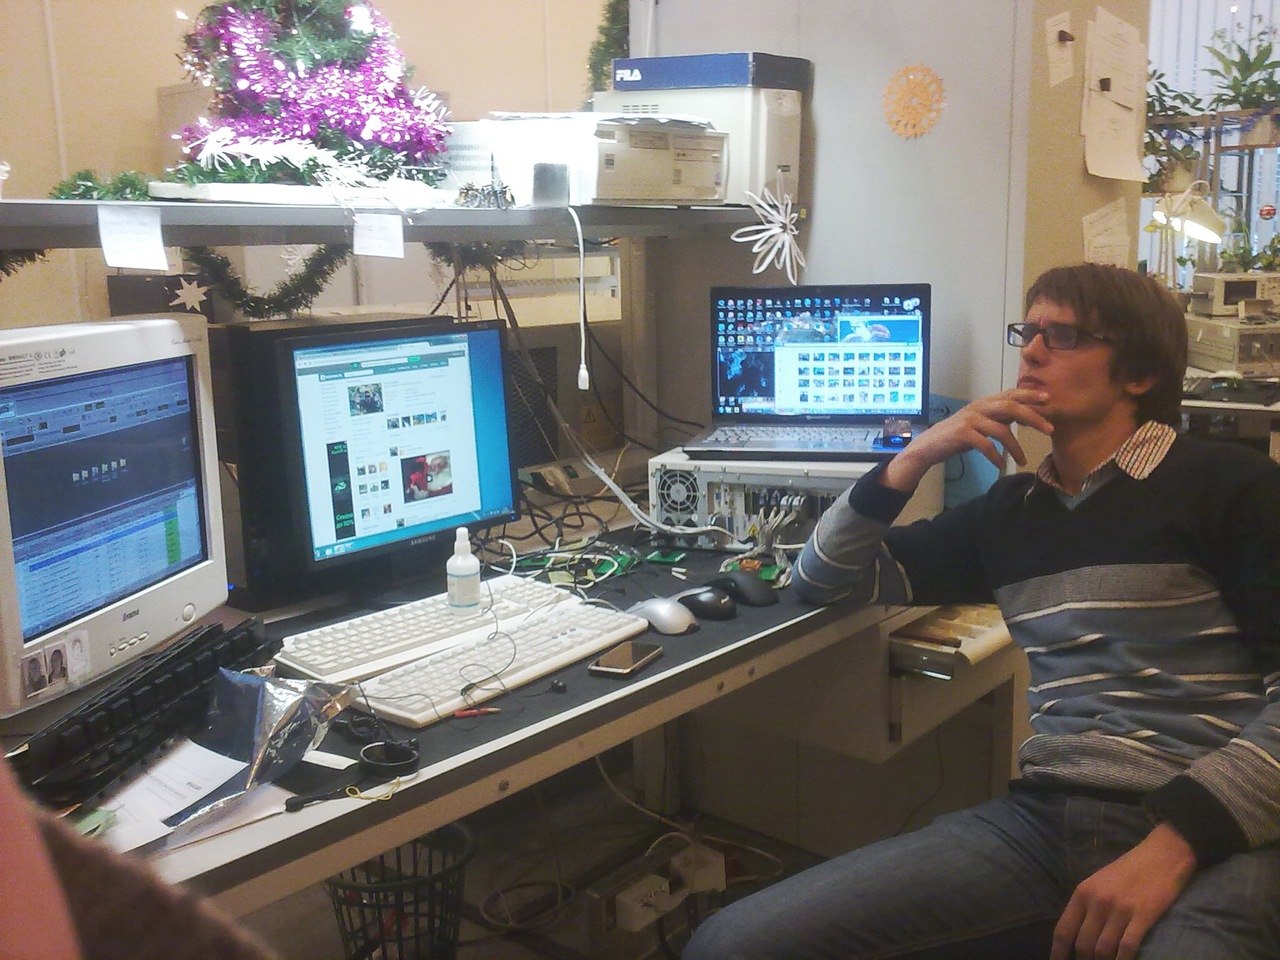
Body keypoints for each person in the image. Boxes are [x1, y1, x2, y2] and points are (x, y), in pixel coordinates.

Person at [683, 264, 1280, 960]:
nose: (1032, 351)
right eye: (1029, 332)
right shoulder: (1010, 514)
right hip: (1044, 824)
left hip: (1213, 832)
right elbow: (824, 579)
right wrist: (915, 453)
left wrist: (1174, 846)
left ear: (1141, 373)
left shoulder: (1232, 486)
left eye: (1064, 336)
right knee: (729, 944)